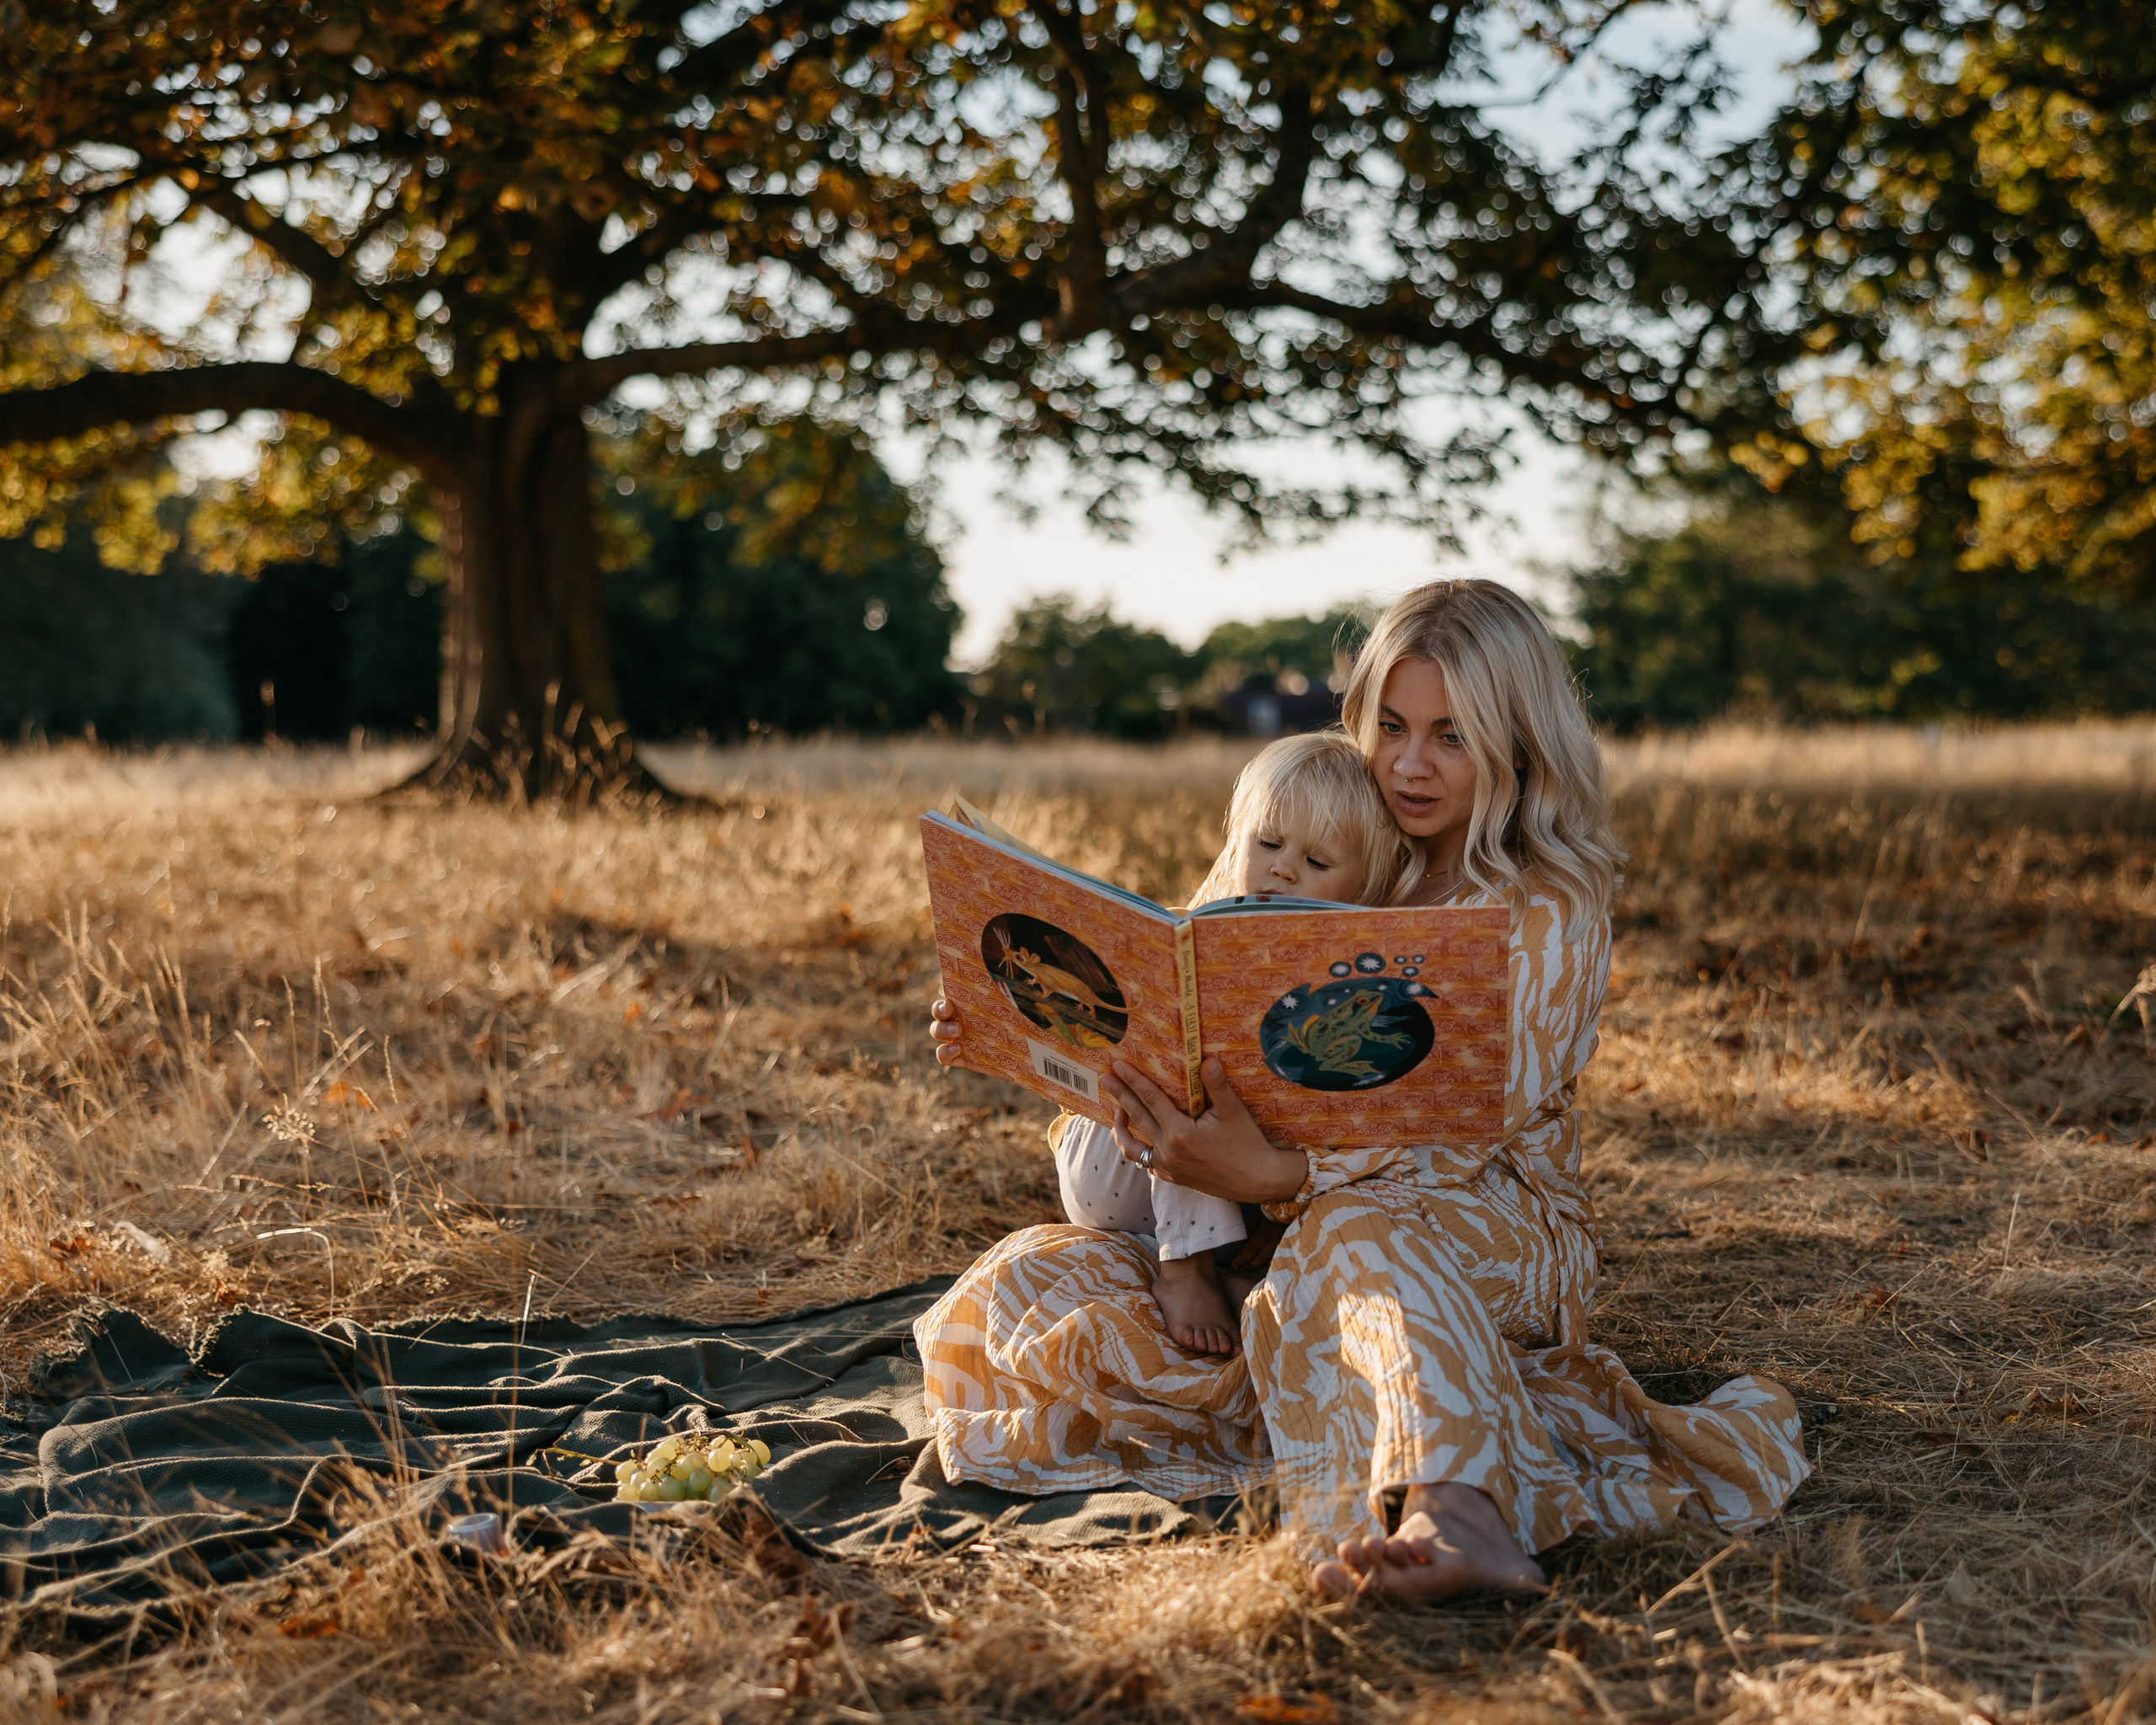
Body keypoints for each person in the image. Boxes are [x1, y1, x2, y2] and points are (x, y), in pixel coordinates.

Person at [920, 580, 1810, 1602]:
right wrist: (1033, 1030)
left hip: (1473, 1217)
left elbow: (1465, 1128)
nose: (1410, 763)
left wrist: (1279, 1171)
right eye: (1390, 726)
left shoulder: (1542, 904)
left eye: (1451, 735)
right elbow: (1192, 1030)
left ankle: (1455, 1506)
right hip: (1267, 1228)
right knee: (1029, 1278)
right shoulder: (1337, 841)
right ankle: (1370, 1407)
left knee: (1353, 1231)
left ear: (1518, 743)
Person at [1053, 730, 1412, 1357]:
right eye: (1267, 842)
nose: (1281, 867)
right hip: (1118, 1157)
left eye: (1318, 862)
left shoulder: (1350, 980)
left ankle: (1219, 1257)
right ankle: (1184, 1270)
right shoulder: (1198, 934)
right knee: (1192, 1052)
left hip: (1236, 1204)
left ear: (1364, 892)